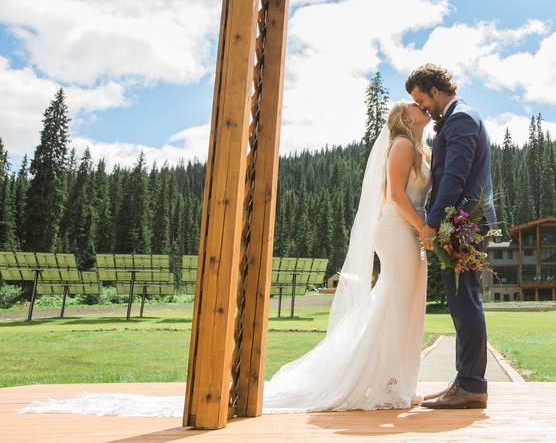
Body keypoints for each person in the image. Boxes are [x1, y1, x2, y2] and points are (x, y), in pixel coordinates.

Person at [18, 101, 433, 417]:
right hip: (399, 233)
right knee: (394, 305)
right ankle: (388, 383)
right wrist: (424, 228)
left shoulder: (419, 147)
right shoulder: (399, 144)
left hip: (410, 233)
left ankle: (394, 380)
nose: (423, 107)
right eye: (417, 104)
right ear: (405, 116)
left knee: (400, 305)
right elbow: (396, 196)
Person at [406, 63, 495, 410]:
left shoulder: (459, 119)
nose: (421, 106)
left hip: (462, 223)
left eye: (420, 98)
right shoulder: (461, 116)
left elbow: (454, 178)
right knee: (463, 300)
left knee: (465, 302)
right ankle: (466, 380)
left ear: (434, 89)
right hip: (461, 221)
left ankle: (472, 385)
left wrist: (432, 222)